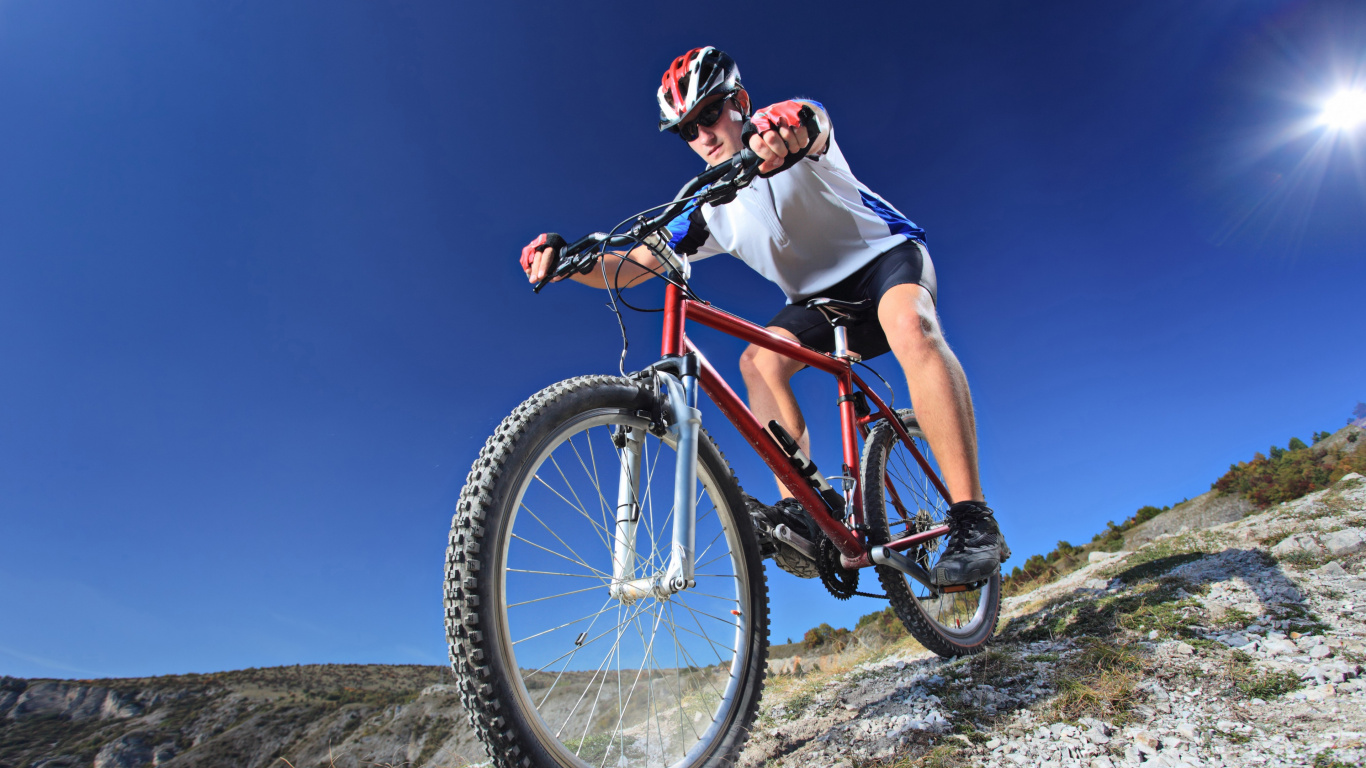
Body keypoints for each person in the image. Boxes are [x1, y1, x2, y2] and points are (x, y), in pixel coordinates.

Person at [519, 46, 1007, 587]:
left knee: (910, 325)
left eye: (709, 113)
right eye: (687, 129)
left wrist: (789, 125)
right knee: (757, 363)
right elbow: (636, 263)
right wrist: (566, 263)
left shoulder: (783, 139)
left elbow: (811, 120)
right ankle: (803, 510)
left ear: (740, 102)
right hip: (816, 303)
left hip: (884, 260)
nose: (702, 134)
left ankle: (971, 519)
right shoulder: (707, 209)